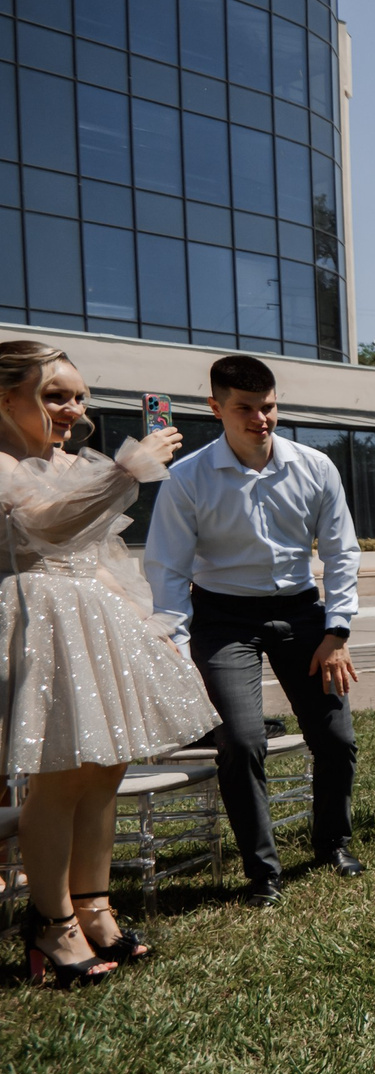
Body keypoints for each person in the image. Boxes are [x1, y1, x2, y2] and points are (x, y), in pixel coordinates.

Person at [0, 341, 218, 984]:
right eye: (55, 395)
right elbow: (48, 527)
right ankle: (50, 924)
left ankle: (95, 910)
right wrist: (129, 471)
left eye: (79, 395)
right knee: (62, 773)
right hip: (38, 620)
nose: (73, 408)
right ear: (6, 398)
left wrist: (147, 626)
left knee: (104, 765)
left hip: (91, 616)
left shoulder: (71, 463)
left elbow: (96, 556)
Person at [144, 353, 364, 905]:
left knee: (336, 738)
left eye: (268, 407)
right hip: (223, 619)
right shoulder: (188, 478)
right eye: (245, 409)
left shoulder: (315, 467)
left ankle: (332, 842)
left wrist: (336, 631)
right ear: (216, 408)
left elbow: (341, 553)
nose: (260, 419)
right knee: (240, 743)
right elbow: (168, 568)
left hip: (303, 616)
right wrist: (177, 644)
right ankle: (263, 873)